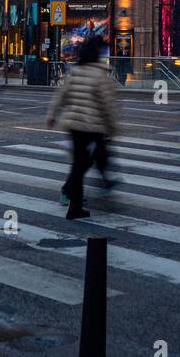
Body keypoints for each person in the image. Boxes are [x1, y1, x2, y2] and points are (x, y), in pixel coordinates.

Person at [47, 35, 118, 219]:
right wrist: (113, 128)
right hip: (92, 125)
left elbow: (61, 94)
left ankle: (74, 203)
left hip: (74, 125)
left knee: (81, 162)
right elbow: (108, 104)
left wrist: (52, 115)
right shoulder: (100, 74)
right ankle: (71, 197)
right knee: (83, 163)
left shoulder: (75, 71)